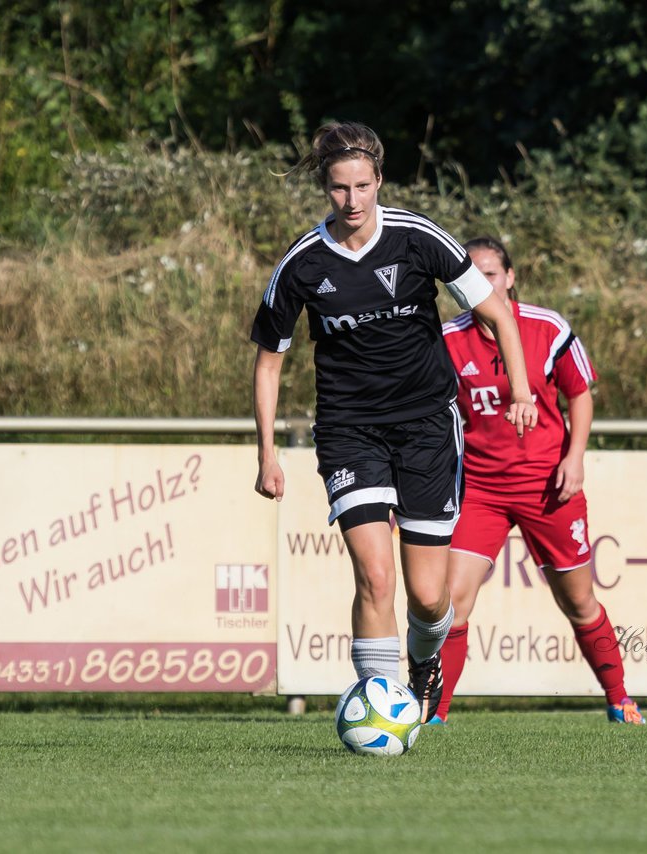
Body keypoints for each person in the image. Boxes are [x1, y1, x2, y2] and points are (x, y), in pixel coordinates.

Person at [250, 122, 537, 723]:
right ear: (324, 189)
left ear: (379, 181)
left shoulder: (417, 238)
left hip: (428, 427)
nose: (351, 201)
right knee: (376, 578)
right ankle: (384, 710)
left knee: (430, 598)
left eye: (362, 186)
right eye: (337, 189)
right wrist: (268, 455)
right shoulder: (301, 265)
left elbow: (499, 315)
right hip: (350, 431)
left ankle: (423, 659)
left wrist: (521, 390)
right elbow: (269, 363)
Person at [436, 237, 644, 724]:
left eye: (490, 273)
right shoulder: (447, 338)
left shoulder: (547, 328)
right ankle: (433, 714)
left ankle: (619, 699)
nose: (479, 283)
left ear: (510, 277)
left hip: (547, 486)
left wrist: (575, 457)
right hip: (481, 490)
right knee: (450, 601)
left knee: (578, 599)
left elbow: (581, 395)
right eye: (469, 275)